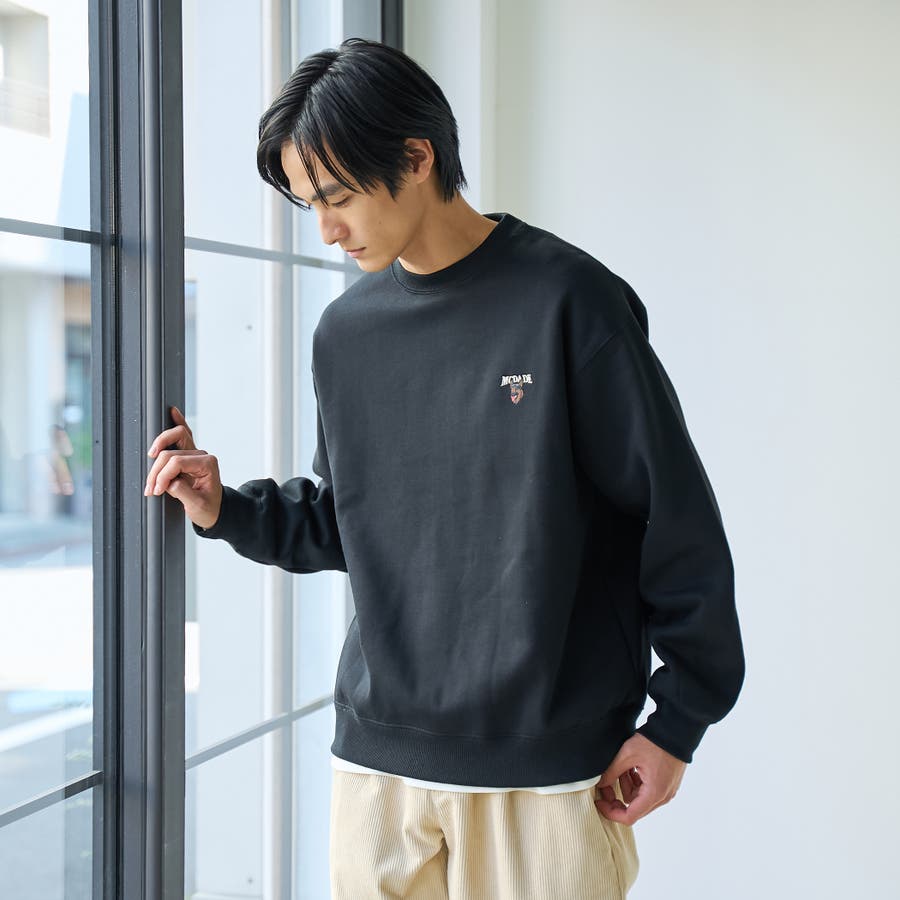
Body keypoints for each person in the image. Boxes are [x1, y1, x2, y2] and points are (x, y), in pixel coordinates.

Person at [144, 37, 745, 899]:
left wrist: (678, 721)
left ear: (417, 156)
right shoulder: (346, 333)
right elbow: (350, 519)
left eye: (337, 196)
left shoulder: (570, 302)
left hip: (544, 772)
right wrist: (224, 507)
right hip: (377, 773)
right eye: (310, 204)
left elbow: (673, 518)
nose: (327, 229)